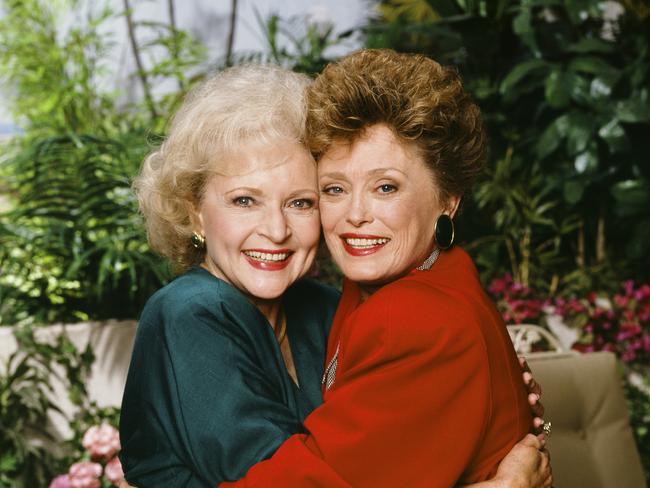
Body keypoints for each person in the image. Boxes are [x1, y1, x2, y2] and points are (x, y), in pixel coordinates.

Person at [119, 63, 550, 488]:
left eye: (301, 202)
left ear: (447, 202)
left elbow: (374, 460)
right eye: (245, 200)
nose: (276, 230)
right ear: (194, 210)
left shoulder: (335, 307)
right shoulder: (189, 312)